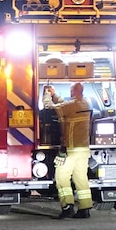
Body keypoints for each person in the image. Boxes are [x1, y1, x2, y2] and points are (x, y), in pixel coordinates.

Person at [44, 83, 94, 219]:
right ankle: (85, 208)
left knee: (61, 177)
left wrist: (47, 94)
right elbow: (66, 104)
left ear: (73, 91)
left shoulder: (71, 105)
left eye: (71, 90)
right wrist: (54, 95)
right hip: (83, 149)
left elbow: (49, 107)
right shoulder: (85, 103)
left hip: (70, 149)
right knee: (81, 178)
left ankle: (67, 207)